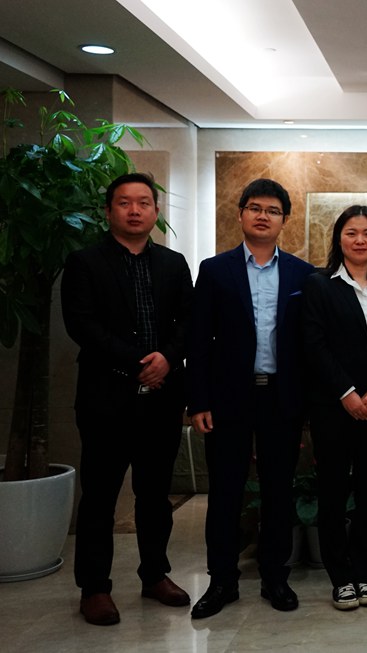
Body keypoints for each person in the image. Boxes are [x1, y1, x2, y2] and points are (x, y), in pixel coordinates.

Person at [62, 172, 193, 625]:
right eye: (124, 202)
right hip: (106, 398)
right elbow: (82, 325)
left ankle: (155, 574)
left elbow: (188, 322)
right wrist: (140, 361)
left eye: (143, 202)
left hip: (161, 399)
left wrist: (168, 359)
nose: (134, 210)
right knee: (100, 496)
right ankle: (95, 588)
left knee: (155, 495)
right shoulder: (84, 262)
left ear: (155, 211)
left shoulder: (173, 263)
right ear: (108, 211)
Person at [187, 178, 315, 618]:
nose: (263, 216)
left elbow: (307, 345)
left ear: (285, 220)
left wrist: (306, 404)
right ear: (241, 213)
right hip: (228, 399)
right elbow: (198, 340)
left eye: (273, 210)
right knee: (225, 492)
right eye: (255, 208)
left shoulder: (302, 273)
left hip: (281, 398)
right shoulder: (214, 270)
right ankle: (222, 581)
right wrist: (198, 400)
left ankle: (275, 577)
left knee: (279, 490)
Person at [301, 205, 367, 611]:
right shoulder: (319, 285)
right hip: (332, 407)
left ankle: (365, 574)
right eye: (351, 232)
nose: (360, 240)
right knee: (331, 489)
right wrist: (345, 392)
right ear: (338, 238)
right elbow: (313, 344)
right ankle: (340, 577)